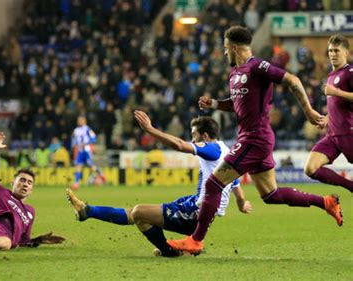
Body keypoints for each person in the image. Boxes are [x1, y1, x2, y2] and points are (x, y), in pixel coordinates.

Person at [167, 26, 343, 255]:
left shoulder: (257, 66)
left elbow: (293, 80)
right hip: (254, 138)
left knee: (213, 184)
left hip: (254, 138)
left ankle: (196, 240)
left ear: (234, 47)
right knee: (271, 195)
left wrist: (308, 111)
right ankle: (326, 202)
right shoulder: (234, 74)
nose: (224, 53)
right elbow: (236, 103)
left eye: (225, 48)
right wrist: (214, 104)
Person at [67, 114, 252, 257]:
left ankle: (168, 250)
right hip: (193, 204)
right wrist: (242, 204)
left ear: (205, 135)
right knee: (137, 214)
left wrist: (150, 129)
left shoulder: (212, 149)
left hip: (195, 213)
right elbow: (236, 186)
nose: (192, 139)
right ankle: (87, 211)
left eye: (194, 135)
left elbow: (180, 145)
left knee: (139, 213)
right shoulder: (226, 152)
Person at [304, 34, 353, 192]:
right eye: (330, 51)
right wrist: (328, 118)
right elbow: (339, 106)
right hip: (332, 135)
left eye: (336, 51)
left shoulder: (350, 72)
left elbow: (341, 96)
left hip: (349, 133)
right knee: (310, 168)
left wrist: (337, 92)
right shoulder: (331, 75)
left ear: (346, 53)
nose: (332, 54)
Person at [71, 116, 106, 189]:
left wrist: (86, 143)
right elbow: (74, 140)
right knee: (78, 166)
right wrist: (74, 146)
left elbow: (94, 138)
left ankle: (101, 174)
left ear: (85, 121)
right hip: (80, 151)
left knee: (91, 166)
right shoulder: (76, 130)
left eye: (81, 120)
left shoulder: (87, 129)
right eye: (79, 120)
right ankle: (76, 184)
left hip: (86, 150)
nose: (79, 121)